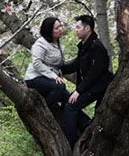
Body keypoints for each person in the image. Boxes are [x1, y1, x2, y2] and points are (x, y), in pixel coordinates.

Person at [59, 13, 112, 144]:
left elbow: (95, 73)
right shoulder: (84, 46)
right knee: (67, 102)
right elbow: (75, 65)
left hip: (99, 86)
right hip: (90, 86)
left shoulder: (96, 46)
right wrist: (57, 69)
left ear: (87, 28)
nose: (76, 30)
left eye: (78, 27)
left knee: (71, 106)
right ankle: (85, 125)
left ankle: (71, 143)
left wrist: (79, 91)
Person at [24, 15, 70, 113]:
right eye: (57, 28)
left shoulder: (58, 43)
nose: (60, 29)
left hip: (49, 80)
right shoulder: (40, 44)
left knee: (69, 98)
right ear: (49, 30)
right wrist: (54, 76)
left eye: (60, 26)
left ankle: (82, 120)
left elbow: (61, 64)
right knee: (60, 86)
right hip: (35, 78)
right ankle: (43, 110)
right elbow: (37, 63)